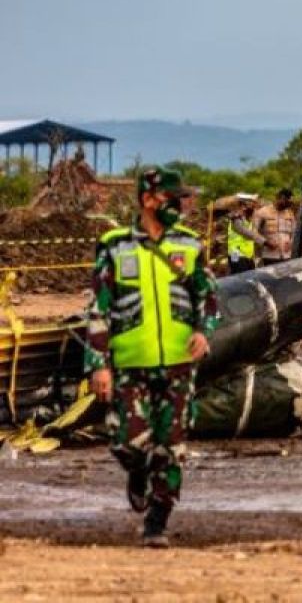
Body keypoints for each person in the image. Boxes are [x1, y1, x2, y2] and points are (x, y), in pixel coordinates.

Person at [83, 166, 218, 548]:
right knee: (127, 442)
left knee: (171, 444)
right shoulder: (114, 246)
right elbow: (99, 310)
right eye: (171, 198)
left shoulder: (190, 246)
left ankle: (158, 521)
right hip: (128, 364)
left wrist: (202, 332)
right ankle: (137, 473)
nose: (179, 204)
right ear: (148, 200)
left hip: (177, 364)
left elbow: (208, 299)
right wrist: (99, 366)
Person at [252, 188, 298, 266]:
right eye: (287, 202)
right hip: (269, 256)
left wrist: (291, 242)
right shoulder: (262, 212)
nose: (289, 205)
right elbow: (253, 232)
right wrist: (266, 242)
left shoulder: (290, 214)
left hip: (287, 255)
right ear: (281, 198)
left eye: (290, 203)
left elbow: (295, 232)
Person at [226, 193, 266, 274]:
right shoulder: (235, 218)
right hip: (236, 254)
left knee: (247, 277)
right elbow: (247, 233)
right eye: (251, 205)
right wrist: (265, 242)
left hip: (247, 255)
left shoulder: (248, 219)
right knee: (238, 275)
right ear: (243, 207)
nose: (254, 208)